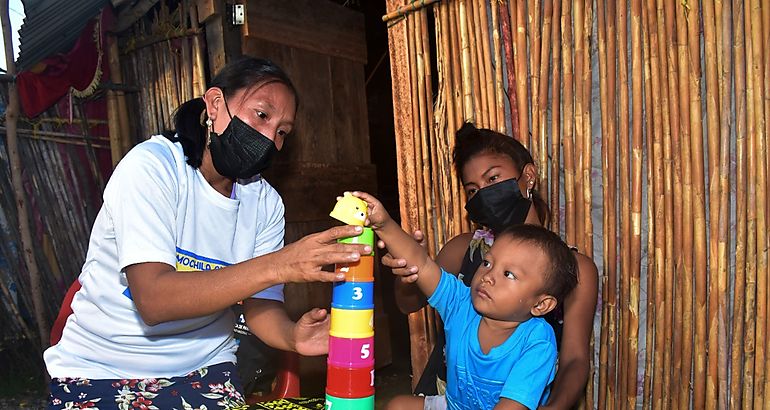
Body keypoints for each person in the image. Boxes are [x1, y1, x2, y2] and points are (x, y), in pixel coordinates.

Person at [43, 57, 371, 409]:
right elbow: (153, 300)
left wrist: (293, 337)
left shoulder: (265, 204)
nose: (270, 137)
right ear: (215, 105)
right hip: (102, 368)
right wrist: (279, 265)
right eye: (262, 115)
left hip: (206, 368)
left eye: (282, 131)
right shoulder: (152, 169)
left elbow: (261, 305)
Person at [384, 123, 599, 409]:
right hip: (450, 389)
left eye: (493, 178)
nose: (484, 194)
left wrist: (554, 408)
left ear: (528, 177)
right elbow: (408, 304)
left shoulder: (573, 268)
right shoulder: (461, 249)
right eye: (472, 190)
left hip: (521, 396)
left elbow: (574, 358)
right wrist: (406, 271)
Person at [354, 191, 578, 409]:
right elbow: (421, 264)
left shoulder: (538, 343)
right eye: (488, 263)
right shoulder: (461, 303)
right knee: (398, 405)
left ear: (540, 305)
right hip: (454, 405)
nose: (488, 276)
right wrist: (384, 225)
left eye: (508, 274)